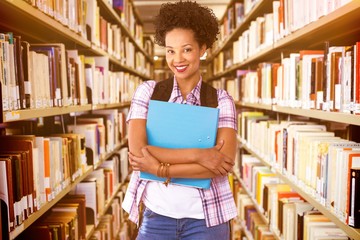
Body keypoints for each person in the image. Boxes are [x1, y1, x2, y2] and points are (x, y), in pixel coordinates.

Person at [122, 1, 238, 239]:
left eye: (186, 49)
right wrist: (199, 155)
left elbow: (221, 165)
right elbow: (138, 152)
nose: (177, 59)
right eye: (170, 50)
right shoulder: (148, 92)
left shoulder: (221, 101)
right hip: (156, 217)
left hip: (207, 221)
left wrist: (158, 168)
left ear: (203, 48)